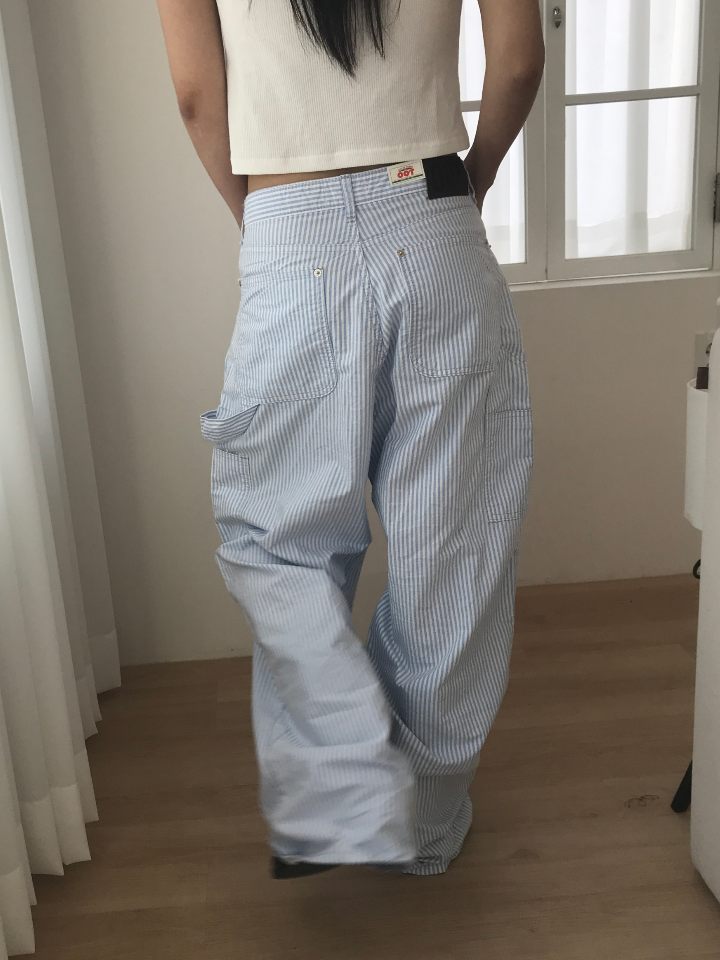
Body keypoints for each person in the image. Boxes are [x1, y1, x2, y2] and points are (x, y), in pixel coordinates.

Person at [156, 0, 544, 879]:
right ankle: (425, 823)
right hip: (433, 216)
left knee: (279, 546)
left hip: (287, 229)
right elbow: (519, 61)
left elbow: (195, 94)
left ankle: (339, 792)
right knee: (453, 548)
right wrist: (474, 180)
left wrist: (267, 219)